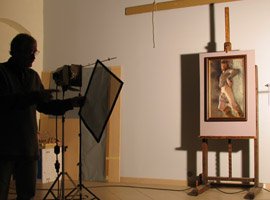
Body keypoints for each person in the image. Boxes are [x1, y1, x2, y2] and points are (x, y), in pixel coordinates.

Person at [0, 33, 84, 200]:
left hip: (27, 146)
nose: (33, 56)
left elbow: (45, 106)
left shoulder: (33, 76)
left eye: (35, 52)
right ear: (15, 51)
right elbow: (5, 102)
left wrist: (70, 103)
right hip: (4, 147)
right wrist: (35, 96)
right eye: (29, 51)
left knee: (27, 194)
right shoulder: (1, 73)